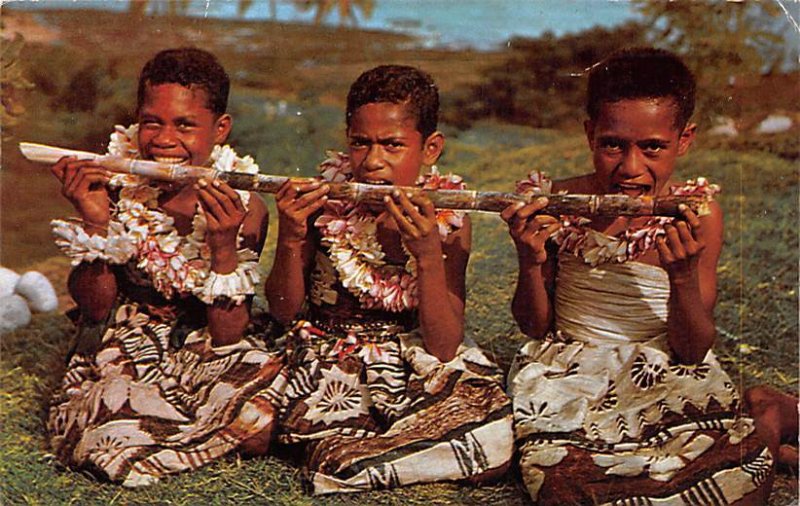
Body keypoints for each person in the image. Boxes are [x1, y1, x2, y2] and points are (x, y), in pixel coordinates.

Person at [503, 47, 774, 505]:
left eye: (652, 147)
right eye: (612, 144)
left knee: (741, 482)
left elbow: (692, 348)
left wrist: (683, 278)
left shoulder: (697, 216)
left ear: (684, 140)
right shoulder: (559, 202)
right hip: (571, 375)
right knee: (562, 485)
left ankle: (769, 417)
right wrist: (530, 261)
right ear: (590, 134)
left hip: (666, 367)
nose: (630, 169)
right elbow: (534, 325)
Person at [264, 65, 513, 494]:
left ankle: (354, 456)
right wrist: (290, 237)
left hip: (413, 359)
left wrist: (429, 255)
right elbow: (283, 309)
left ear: (431, 148)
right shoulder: (321, 201)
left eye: (392, 145)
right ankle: (367, 452)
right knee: (265, 421)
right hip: (328, 351)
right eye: (361, 143)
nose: (373, 161)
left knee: (491, 440)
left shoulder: (450, 219)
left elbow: (444, 344)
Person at [47, 48, 280, 487]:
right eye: (153, 122)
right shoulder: (115, 189)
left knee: (262, 419)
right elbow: (96, 310)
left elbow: (228, 334)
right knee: (110, 407)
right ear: (137, 120)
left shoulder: (246, 207)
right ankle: (174, 429)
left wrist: (224, 246)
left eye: (186, 125)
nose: (164, 140)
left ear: (220, 129)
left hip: (207, 339)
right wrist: (96, 222)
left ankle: (166, 427)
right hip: (125, 337)